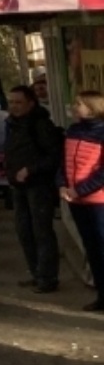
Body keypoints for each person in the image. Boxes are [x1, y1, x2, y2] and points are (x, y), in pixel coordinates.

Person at [6, 84, 65, 293]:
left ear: (30, 103)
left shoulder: (40, 125)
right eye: (11, 102)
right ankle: (37, 272)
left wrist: (31, 169)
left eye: (18, 102)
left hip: (38, 185)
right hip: (19, 185)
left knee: (41, 231)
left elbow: (53, 155)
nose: (14, 107)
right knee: (24, 230)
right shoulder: (14, 124)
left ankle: (47, 277)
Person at [59, 89, 104, 312]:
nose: (74, 107)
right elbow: (63, 162)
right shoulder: (73, 131)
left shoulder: (102, 133)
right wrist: (63, 185)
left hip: (98, 201)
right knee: (91, 248)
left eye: (79, 104)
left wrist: (80, 190)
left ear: (92, 107)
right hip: (76, 200)